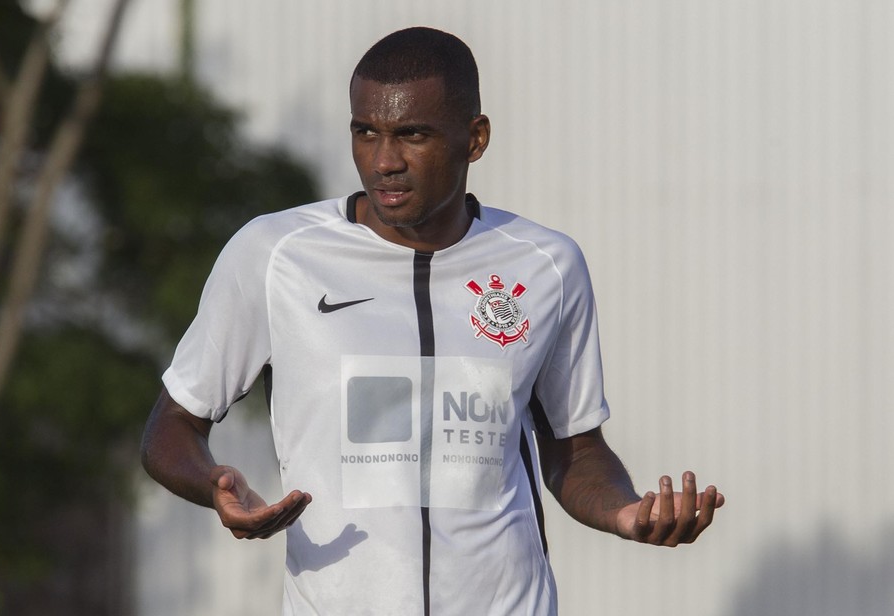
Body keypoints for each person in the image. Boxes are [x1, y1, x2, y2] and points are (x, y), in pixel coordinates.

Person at [141, 26, 724, 615]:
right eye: (364, 132)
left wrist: (625, 513)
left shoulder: (546, 263)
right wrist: (213, 488)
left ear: (475, 139)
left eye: (412, 135)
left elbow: (575, 450)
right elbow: (170, 428)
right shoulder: (275, 254)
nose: (384, 160)